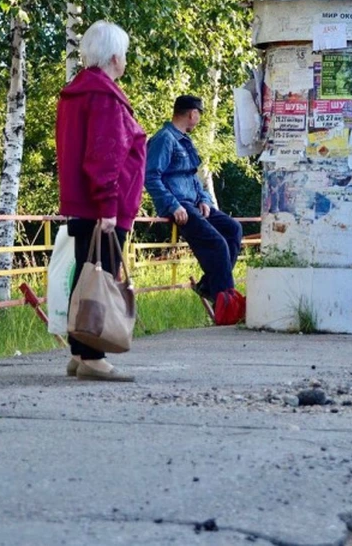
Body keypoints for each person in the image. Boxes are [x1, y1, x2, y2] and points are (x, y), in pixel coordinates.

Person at [57, 20, 146, 381]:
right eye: (123, 54)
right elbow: (105, 155)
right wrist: (109, 207)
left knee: (86, 276)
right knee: (101, 276)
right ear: (114, 56)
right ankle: (93, 355)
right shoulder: (105, 96)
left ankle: (79, 352)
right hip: (102, 207)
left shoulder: (77, 91)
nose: (124, 60)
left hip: (83, 203)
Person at [145, 95, 243, 305]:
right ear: (193, 114)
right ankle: (226, 305)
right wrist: (172, 204)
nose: (198, 120)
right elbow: (150, 176)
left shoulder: (185, 140)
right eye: (199, 115)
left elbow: (193, 177)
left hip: (196, 204)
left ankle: (209, 286)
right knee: (217, 244)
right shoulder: (164, 139)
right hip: (179, 206)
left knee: (233, 230)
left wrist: (205, 199)